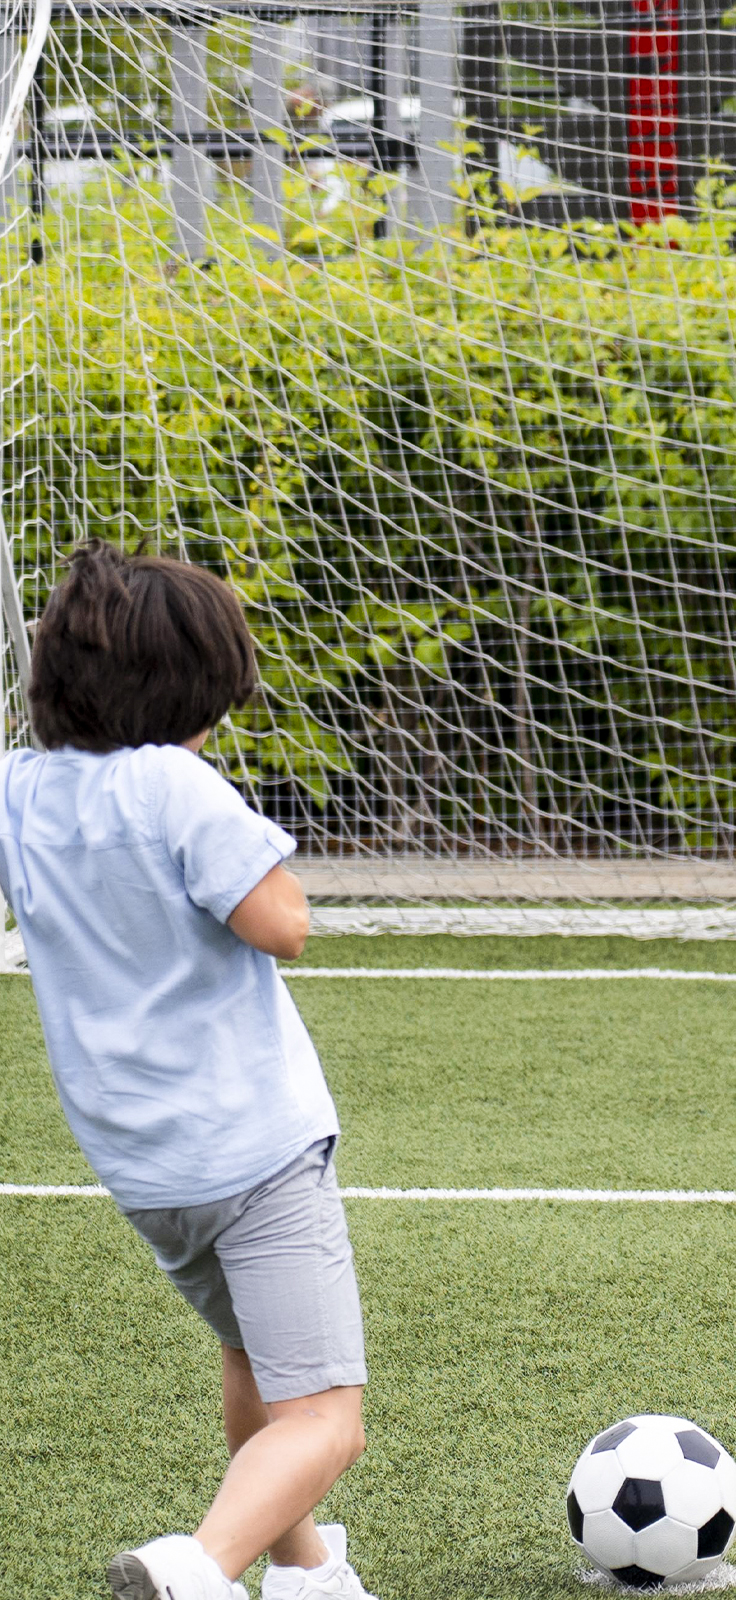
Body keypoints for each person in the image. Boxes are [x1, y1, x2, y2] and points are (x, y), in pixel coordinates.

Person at [0, 543, 378, 1600]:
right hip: (255, 1152)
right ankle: (199, 1569)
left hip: (147, 1171)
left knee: (258, 1361)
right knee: (326, 1416)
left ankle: (307, 1576)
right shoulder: (174, 783)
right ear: (188, 695)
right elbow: (281, 924)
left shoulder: (18, 789)